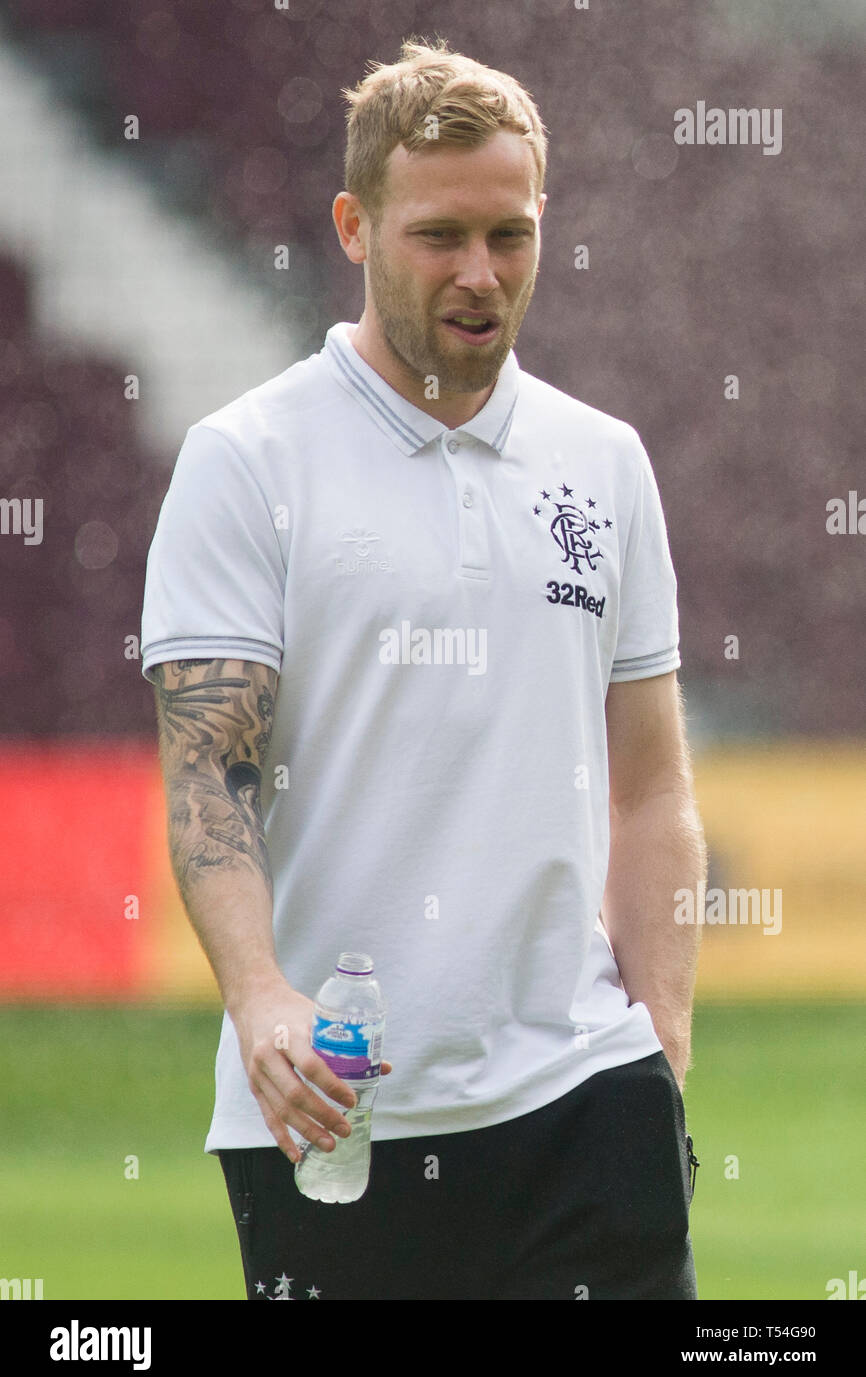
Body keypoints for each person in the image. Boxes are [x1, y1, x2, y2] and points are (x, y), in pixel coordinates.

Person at [141, 38, 706, 1301]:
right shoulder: (247, 461)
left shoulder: (602, 461)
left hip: (585, 1105)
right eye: (438, 236)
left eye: (509, 236)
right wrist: (262, 998)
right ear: (353, 224)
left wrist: (660, 1045)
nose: (479, 274)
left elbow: (651, 788)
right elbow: (207, 779)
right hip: (335, 1117)